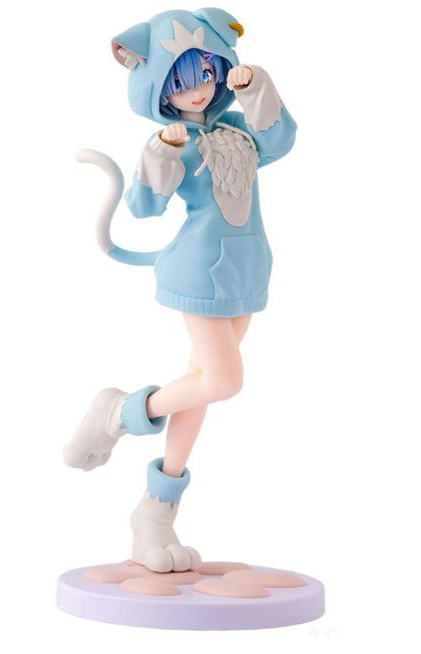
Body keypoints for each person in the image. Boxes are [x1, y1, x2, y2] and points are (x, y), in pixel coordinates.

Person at [63, 8, 297, 573]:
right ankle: (121, 412)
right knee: (224, 381)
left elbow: (280, 140)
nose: (198, 89)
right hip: (200, 270)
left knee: (201, 389)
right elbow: (145, 208)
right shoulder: (172, 139)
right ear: (160, 88)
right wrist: (162, 154)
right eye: (181, 81)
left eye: (207, 73)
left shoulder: (237, 127)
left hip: (246, 269)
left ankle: (156, 510)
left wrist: (257, 87)